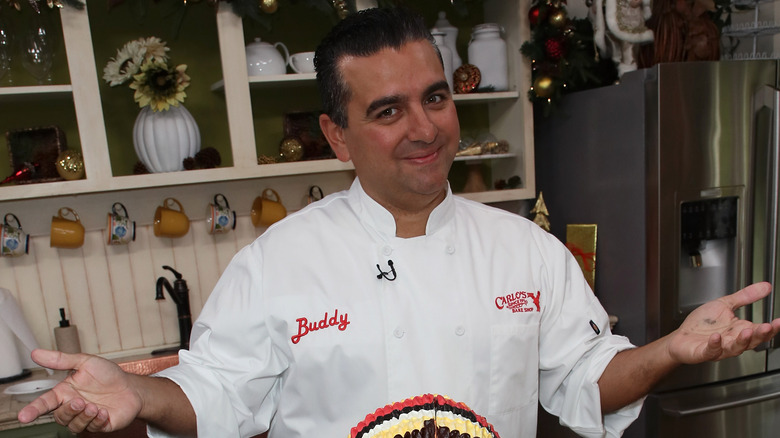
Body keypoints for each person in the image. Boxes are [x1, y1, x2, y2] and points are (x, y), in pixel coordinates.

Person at [17, 7, 780, 438]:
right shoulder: (278, 263)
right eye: (388, 110)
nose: (426, 128)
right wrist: (136, 392)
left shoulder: (525, 251)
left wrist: (671, 350)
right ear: (339, 136)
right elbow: (218, 394)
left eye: (436, 98)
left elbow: (585, 380)